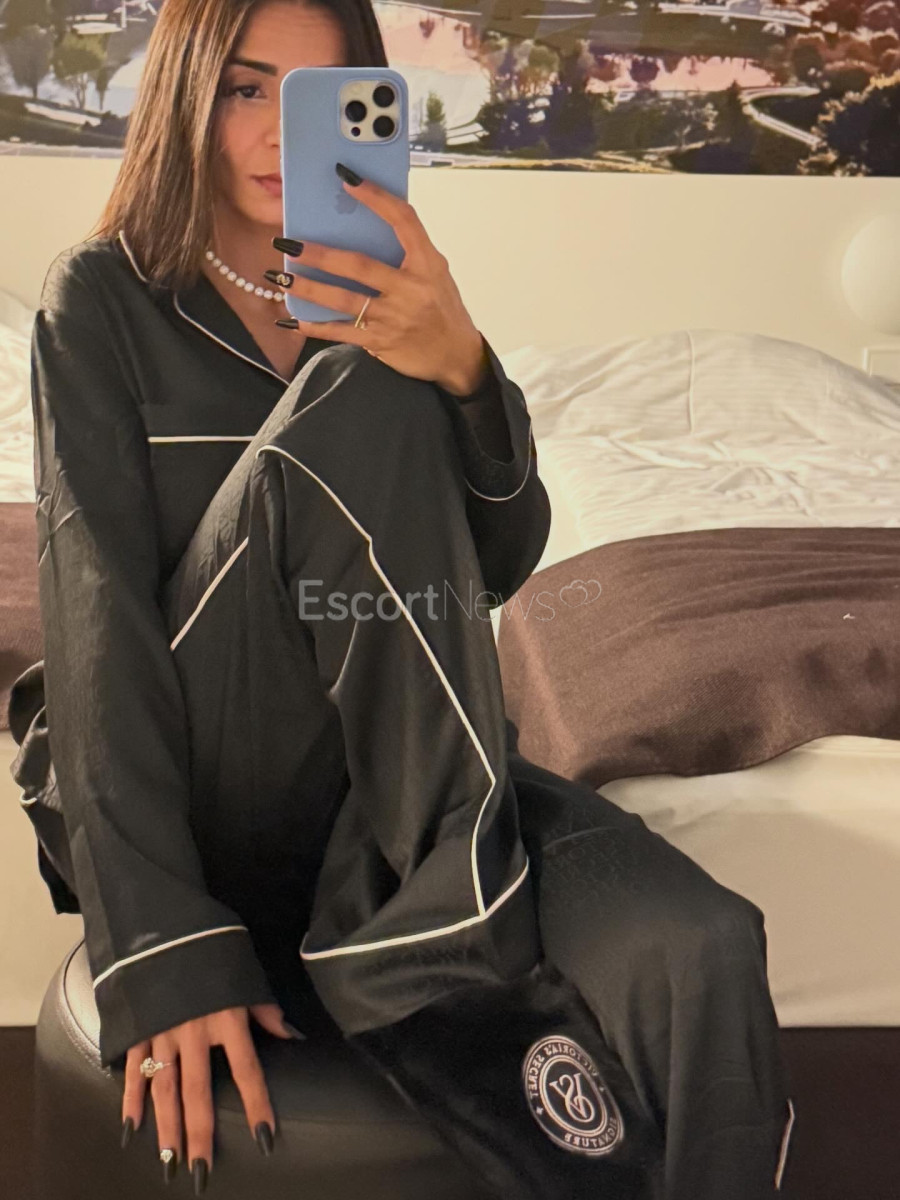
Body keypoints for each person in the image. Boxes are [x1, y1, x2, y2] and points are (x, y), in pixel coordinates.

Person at [8, 0, 795, 1196]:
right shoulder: (102, 301)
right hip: (214, 781)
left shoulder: (397, 299)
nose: (282, 135)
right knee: (362, 396)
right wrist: (160, 945)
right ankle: (449, 948)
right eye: (246, 90)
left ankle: (457, 905)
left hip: (399, 782)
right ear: (184, 99)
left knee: (699, 943)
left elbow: (492, 570)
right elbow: (95, 623)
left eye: (320, 100)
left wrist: (464, 366)